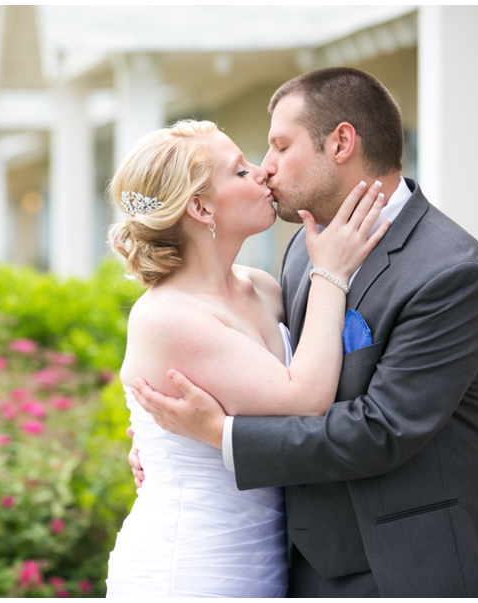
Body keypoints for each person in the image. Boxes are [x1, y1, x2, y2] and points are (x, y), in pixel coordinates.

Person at [133, 67, 478, 597]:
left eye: (279, 146)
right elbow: (266, 378)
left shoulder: (449, 270)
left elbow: (380, 431)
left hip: (410, 569)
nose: (265, 170)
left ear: (340, 142)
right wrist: (167, 446)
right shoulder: (300, 255)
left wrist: (217, 436)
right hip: (295, 565)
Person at [104, 119, 390, 597]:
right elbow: (304, 398)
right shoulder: (166, 316)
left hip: (271, 556)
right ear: (199, 207)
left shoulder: (262, 287)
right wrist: (332, 272)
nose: (262, 173)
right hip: (194, 564)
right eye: (240, 171)